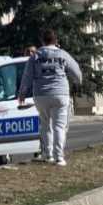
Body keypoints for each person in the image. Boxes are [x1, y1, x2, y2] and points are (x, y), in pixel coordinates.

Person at [19, 29, 83, 167]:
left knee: (45, 125)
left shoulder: (35, 56)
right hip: (60, 94)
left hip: (41, 94)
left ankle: (48, 155)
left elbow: (27, 76)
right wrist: (78, 81)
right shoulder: (63, 54)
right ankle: (59, 157)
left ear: (42, 41)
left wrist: (22, 92)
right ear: (56, 41)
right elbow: (76, 71)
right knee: (59, 126)